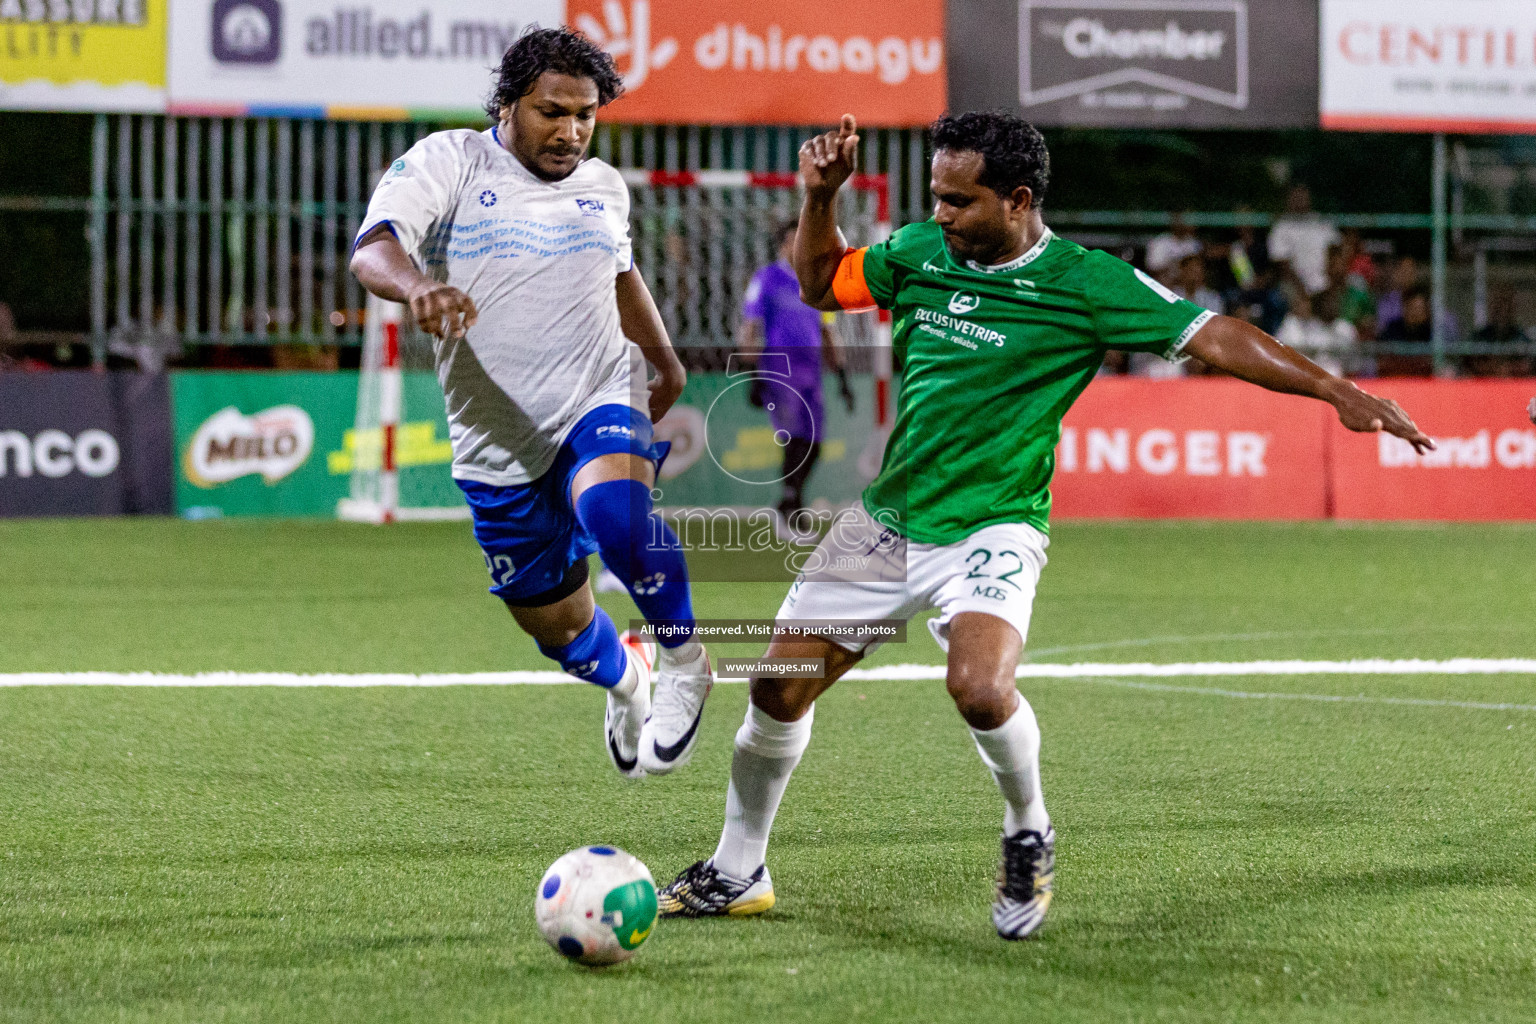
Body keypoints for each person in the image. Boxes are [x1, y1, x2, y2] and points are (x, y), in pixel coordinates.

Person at [655, 112, 1434, 939]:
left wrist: (1337, 390)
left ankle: (1028, 829)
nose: (943, 215)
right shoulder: (920, 251)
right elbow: (821, 285)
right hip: (889, 520)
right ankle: (739, 870)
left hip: (994, 528)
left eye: (960, 201)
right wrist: (821, 196)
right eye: (937, 198)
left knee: (980, 689)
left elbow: (1217, 336)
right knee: (775, 689)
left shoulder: (1086, 281)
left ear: (1018, 199)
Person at [350, 28, 713, 779]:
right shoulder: (449, 162)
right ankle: (627, 681)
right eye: (552, 112)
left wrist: (666, 358)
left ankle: (684, 660)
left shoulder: (602, 186)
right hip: (497, 441)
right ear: (508, 104)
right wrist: (418, 286)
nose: (571, 131)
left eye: (585, 115)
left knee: (617, 514)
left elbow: (621, 274)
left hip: (596, 393)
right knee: (561, 631)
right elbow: (373, 247)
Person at [738, 221, 850, 526]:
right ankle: (791, 506)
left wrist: (841, 376)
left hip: (812, 373)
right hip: (780, 370)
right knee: (794, 438)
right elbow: (751, 327)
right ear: (782, 246)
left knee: (815, 443)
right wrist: (751, 374)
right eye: (792, 242)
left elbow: (828, 330)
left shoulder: (815, 282)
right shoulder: (766, 279)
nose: (797, 247)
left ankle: (790, 501)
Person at [1267, 184, 1340, 298]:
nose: (1300, 199)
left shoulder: (1321, 222)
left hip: (1327, 284)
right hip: (1294, 286)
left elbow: (1336, 252)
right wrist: (1303, 291)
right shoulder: (1281, 226)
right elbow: (1282, 264)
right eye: (1296, 195)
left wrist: (1331, 283)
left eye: (1303, 194)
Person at [1469, 289, 1532, 377]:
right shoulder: (1480, 336)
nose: (1502, 310)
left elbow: (1526, 365)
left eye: (1506, 304)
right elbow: (1472, 364)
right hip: (1485, 384)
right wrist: (1494, 368)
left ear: (1512, 308)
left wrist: (1508, 368)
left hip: (1514, 385)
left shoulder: (1521, 337)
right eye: (1498, 305)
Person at [1144, 210, 1201, 282]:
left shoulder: (1194, 243)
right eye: (1179, 220)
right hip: (1165, 284)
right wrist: (1175, 265)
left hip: (1186, 286)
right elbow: (1152, 269)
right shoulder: (1160, 242)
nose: (1182, 224)